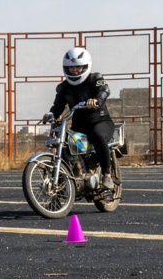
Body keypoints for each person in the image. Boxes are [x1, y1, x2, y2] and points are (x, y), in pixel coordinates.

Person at [46, 47, 116, 189]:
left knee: (97, 135)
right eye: (71, 67)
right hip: (79, 125)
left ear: (85, 66)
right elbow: (58, 106)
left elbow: (104, 90)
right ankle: (63, 180)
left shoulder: (95, 78)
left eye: (78, 67)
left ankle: (107, 175)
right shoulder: (64, 87)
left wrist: (97, 100)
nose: (75, 70)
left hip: (100, 121)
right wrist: (52, 114)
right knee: (64, 141)